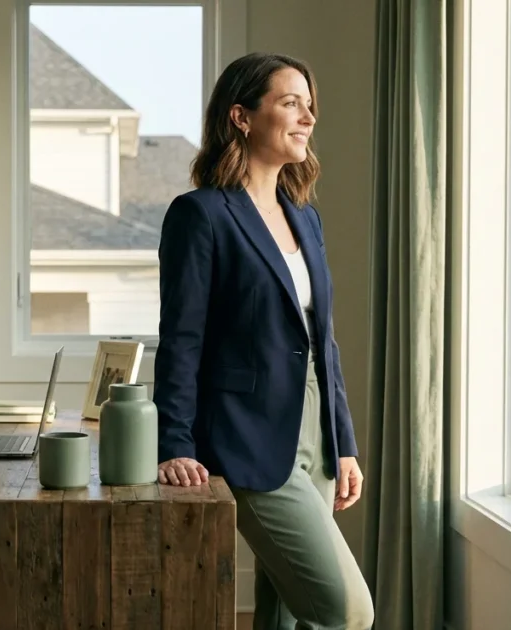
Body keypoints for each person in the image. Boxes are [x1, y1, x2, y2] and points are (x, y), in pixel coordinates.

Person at [152, 51, 375, 630]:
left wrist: (342, 442)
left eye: (310, 106)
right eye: (290, 103)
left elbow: (324, 343)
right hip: (244, 435)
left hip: (313, 433)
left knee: (290, 614)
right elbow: (182, 339)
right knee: (346, 611)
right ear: (242, 117)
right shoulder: (199, 216)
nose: (307, 118)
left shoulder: (306, 218)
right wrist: (174, 443)